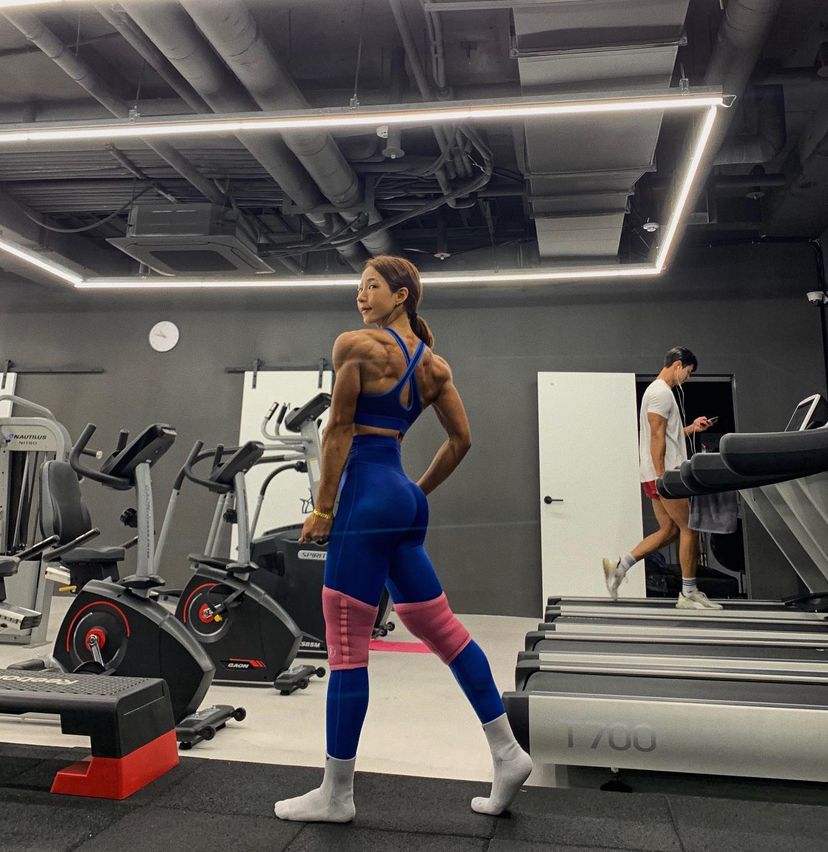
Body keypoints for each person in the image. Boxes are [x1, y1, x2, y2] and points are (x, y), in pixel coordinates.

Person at [274, 255, 533, 824]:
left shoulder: (355, 346)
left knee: (346, 646)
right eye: (359, 287)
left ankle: (336, 794)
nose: (361, 295)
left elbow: (339, 429)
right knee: (445, 632)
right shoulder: (433, 366)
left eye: (371, 286)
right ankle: (507, 752)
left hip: (367, 494)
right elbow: (461, 441)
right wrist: (413, 493)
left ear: (401, 295)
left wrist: (323, 508)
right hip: (402, 498)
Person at [602, 346, 723, 610]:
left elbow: (667, 434)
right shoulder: (661, 393)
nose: (687, 378)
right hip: (665, 475)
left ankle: (619, 567)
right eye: (688, 372)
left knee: (669, 531)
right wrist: (662, 476)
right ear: (678, 364)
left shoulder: (657, 392)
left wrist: (692, 428)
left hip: (656, 474)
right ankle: (688, 594)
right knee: (689, 528)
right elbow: (657, 435)